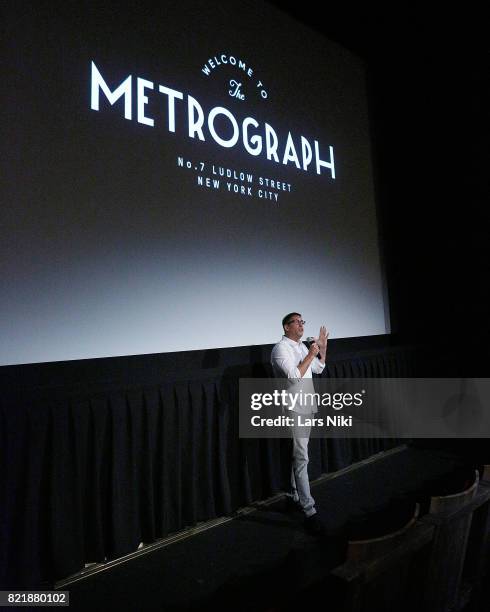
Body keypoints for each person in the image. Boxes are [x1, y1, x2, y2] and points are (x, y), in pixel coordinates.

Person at [271, 313, 329, 535]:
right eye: (298, 321)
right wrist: (312, 352)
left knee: (299, 455)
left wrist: (321, 350)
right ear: (286, 327)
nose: (302, 324)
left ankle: (293, 496)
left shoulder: (303, 347)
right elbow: (294, 375)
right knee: (302, 456)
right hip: (294, 407)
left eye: (303, 321)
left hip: (307, 405)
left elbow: (318, 368)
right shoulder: (280, 349)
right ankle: (309, 510)